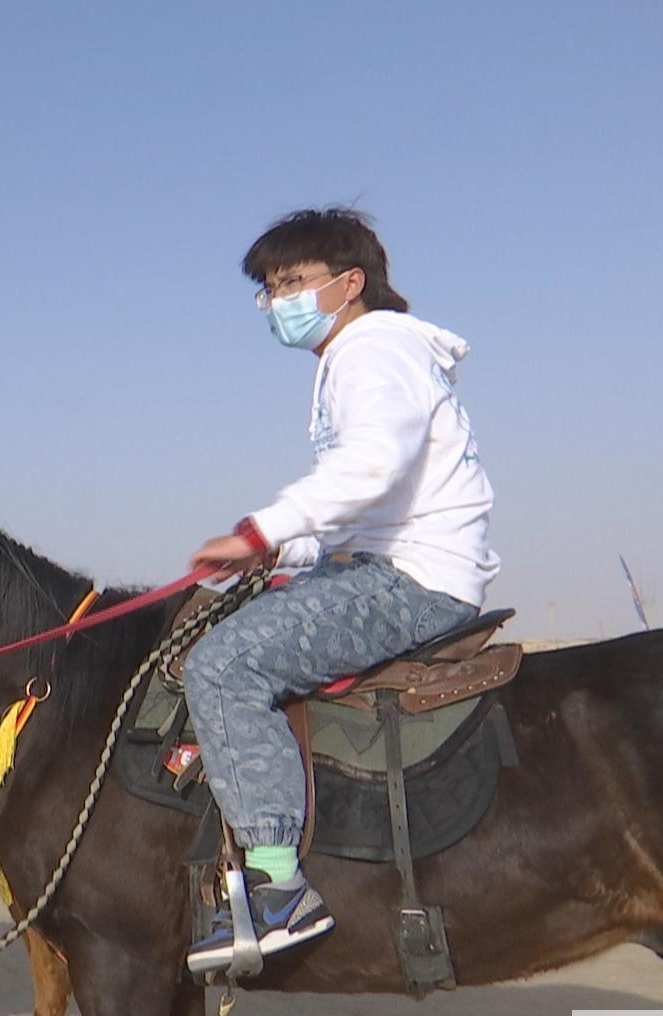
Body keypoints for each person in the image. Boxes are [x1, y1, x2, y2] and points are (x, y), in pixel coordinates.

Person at [180, 208, 499, 973]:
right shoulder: (354, 357)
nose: (277, 301)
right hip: (379, 559)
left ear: (349, 283)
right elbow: (367, 500)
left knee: (223, 665)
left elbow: (370, 468)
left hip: (410, 579)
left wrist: (262, 530)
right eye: (268, 289)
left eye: (292, 281)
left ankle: (279, 889)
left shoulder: (373, 350)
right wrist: (283, 550)